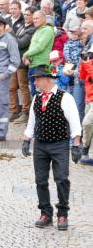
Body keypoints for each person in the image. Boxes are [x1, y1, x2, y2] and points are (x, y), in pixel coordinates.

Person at [21, 65, 82, 230]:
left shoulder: (65, 97)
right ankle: (45, 213)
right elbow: (32, 123)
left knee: (61, 179)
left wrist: (76, 144)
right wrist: (27, 140)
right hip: (40, 144)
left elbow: (75, 123)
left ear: (46, 79)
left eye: (37, 79)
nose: (34, 82)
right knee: (40, 180)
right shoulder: (37, 98)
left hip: (59, 144)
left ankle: (62, 214)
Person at [10, 7, 37, 124]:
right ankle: (14, 110)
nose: (26, 16)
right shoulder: (22, 26)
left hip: (22, 62)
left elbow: (21, 43)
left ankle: (26, 112)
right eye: (25, 14)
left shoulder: (32, 29)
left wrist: (10, 32)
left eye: (28, 15)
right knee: (11, 87)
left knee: (23, 87)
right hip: (15, 60)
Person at [23, 10, 55, 95]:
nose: (35, 20)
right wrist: (28, 58)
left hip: (41, 66)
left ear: (44, 19)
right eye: (33, 18)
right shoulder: (37, 31)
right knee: (35, 93)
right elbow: (33, 47)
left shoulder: (47, 30)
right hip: (33, 65)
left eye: (37, 18)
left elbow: (40, 47)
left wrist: (26, 54)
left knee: (41, 93)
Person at [64, 25, 85, 121]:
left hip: (80, 68)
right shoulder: (68, 43)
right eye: (72, 33)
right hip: (71, 66)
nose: (73, 35)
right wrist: (70, 65)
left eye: (75, 33)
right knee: (69, 85)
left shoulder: (82, 43)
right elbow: (67, 55)